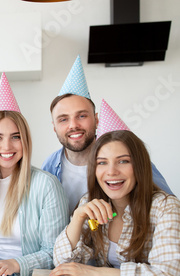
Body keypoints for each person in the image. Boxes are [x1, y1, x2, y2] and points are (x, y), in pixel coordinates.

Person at [50, 130, 180, 276]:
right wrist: (77, 217)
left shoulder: (165, 208)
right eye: (102, 163)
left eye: (123, 161)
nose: (111, 171)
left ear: (139, 166)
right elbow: (63, 264)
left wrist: (96, 274)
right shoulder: (90, 203)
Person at [0, 73, 69, 276]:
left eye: (15, 137)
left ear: (25, 141)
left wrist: (16, 264)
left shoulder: (46, 185)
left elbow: (55, 253)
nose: (7, 146)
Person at [42, 56, 173, 213]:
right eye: (63, 119)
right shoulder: (50, 166)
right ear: (54, 127)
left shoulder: (128, 158)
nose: (73, 125)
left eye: (82, 116)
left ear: (97, 119)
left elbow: (166, 205)